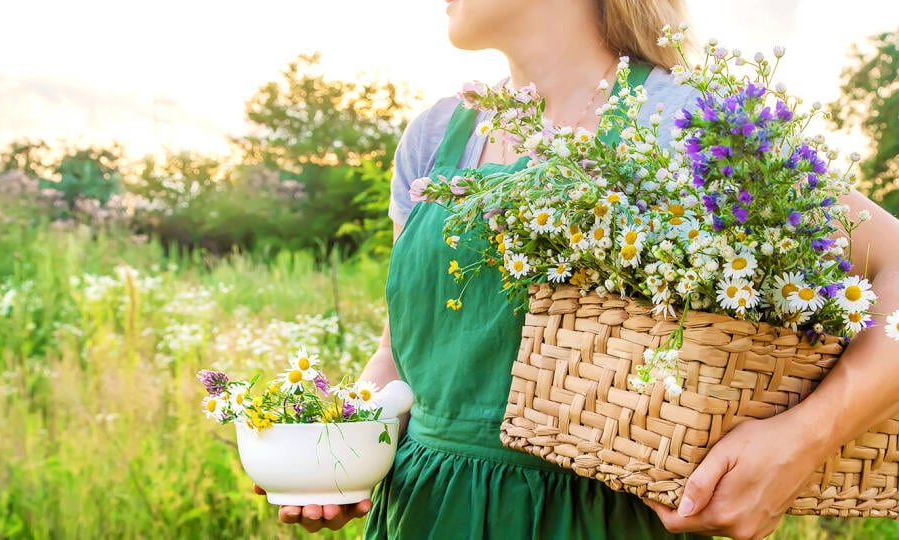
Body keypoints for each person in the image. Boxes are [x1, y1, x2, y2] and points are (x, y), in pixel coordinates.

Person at [261, 1, 899, 539]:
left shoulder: (686, 118)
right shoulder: (433, 137)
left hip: (598, 518)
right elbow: (401, 354)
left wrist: (804, 439)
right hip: (424, 512)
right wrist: (344, 454)